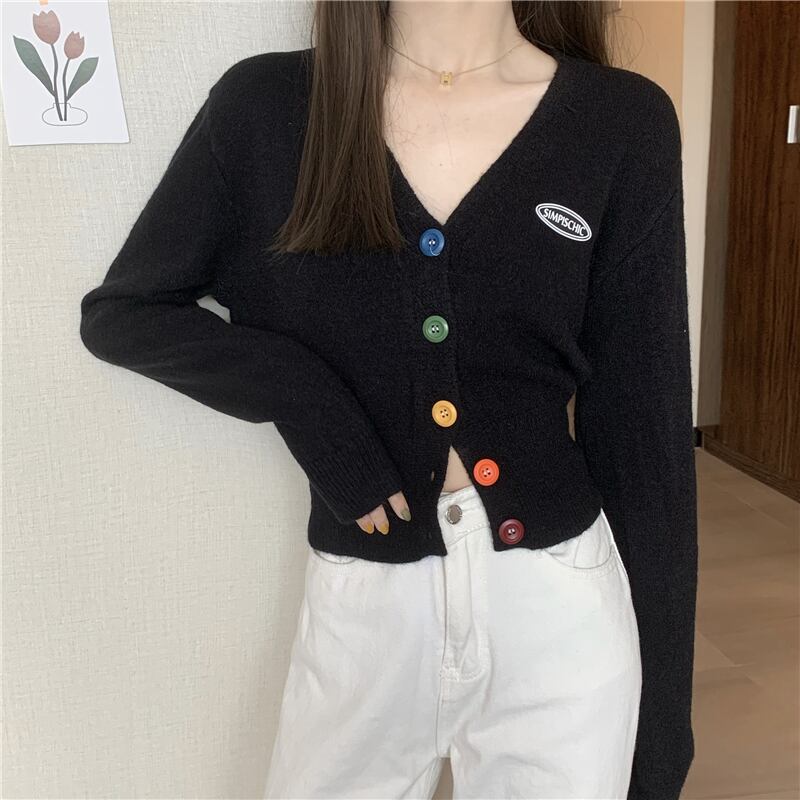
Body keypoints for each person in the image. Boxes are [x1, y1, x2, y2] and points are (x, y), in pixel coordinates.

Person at [79, 2, 698, 798]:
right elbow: (125, 313)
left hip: (560, 604)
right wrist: (308, 403)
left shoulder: (621, 123)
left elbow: (645, 440)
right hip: (366, 606)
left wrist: (662, 729)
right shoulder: (266, 110)